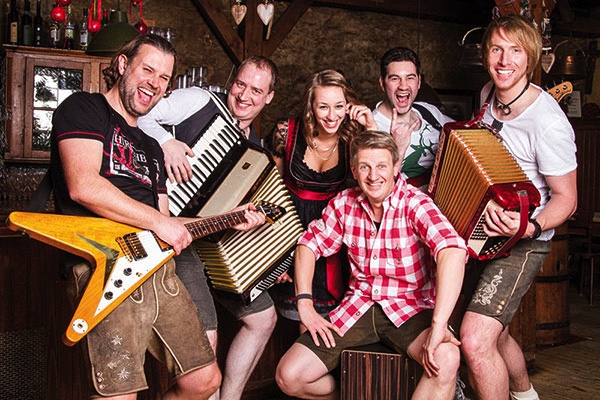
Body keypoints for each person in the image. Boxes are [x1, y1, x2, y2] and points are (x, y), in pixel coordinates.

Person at [49, 34, 263, 399]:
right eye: (147, 70)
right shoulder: (84, 107)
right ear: (123, 65)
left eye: (164, 77)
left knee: (203, 381)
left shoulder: (151, 147)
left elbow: (168, 225)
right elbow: (83, 186)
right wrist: (159, 222)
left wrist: (229, 218)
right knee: (121, 394)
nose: (154, 83)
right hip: (106, 265)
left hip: (156, 269)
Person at [275, 130, 468, 399]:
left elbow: (453, 251)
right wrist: (304, 303)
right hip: (359, 306)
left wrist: (438, 326)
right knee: (289, 376)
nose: (373, 176)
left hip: (410, 309)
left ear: (396, 167)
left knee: (446, 357)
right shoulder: (345, 203)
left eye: (381, 166)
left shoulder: (416, 204)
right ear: (354, 170)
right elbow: (308, 244)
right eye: (365, 167)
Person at [138, 56, 278, 400]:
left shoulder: (255, 147)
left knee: (263, 318)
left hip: (216, 243)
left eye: (256, 90)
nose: (244, 95)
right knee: (206, 342)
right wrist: (166, 142)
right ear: (232, 82)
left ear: (269, 97)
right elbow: (139, 114)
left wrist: (248, 221)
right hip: (176, 235)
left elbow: (233, 206)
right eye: (240, 84)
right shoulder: (199, 100)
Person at [459, 15, 578, 400]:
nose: (504, 60)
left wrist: (528, 227)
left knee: (476, 339)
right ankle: (527, 397)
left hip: (525, 239)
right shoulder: (487, 95)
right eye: (496, 49)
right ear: (485, 55)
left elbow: (567, 199)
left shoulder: (547, 122)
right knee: (498, 333)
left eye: (515, 51)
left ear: (530, 58)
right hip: (482, 232)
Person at [265, 69, 378, 330]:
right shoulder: (286, 132)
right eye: (323, 107)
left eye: (339, 106)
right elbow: (270, 194)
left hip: (332, 238)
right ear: (311, 106)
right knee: (292, 323)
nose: (332, 115)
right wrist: (274, 256)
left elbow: (379, 180)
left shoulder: (353, 138)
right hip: (290, 234)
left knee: (323, 328)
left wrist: (371, 127)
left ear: (348, 106)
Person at [372, 46, 454, 189]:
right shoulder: (372, 127)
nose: (403, 86)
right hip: (404, 201)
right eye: (395, 78)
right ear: (382, 83)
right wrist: (398, 147)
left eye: (410, 78)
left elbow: (462, 135)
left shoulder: (428, 111)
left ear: (419, 82)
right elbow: (376, 186)